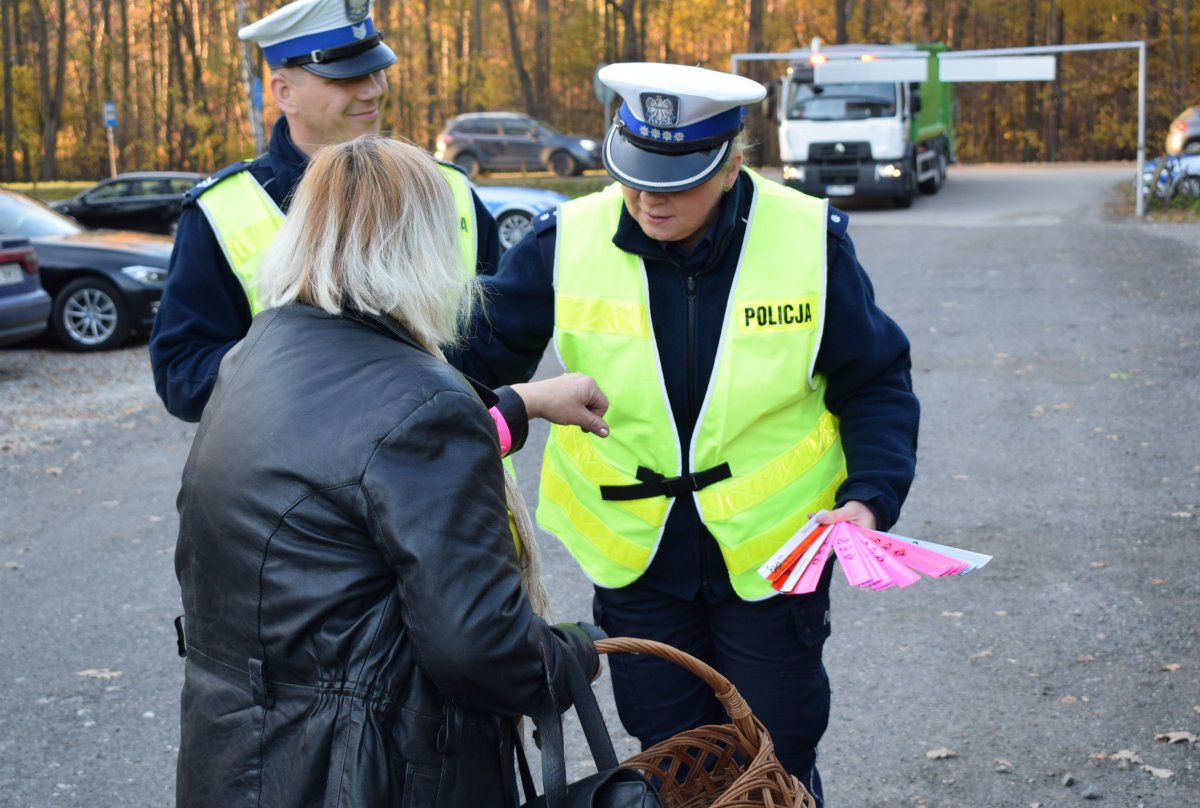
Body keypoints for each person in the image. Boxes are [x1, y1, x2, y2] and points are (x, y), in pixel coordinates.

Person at [446, 62, 920, 806]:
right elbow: (461, 370)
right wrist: (518, 401)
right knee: (672, 768)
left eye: (675, 183)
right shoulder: (563, 241)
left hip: (773, 558)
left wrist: (868, 500)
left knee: (775, 760)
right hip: (637, 564)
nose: (646, 199)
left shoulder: (807, 241)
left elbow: (876, 381)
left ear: (731, 164)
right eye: (634, 176)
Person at [173, 135, 610, 807]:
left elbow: (352, 459)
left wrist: (519, 405)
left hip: (244, 758)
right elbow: (483, 649)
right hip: (367, 771)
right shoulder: (422, 402)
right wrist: (572, 654)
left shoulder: (256, 356)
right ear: (426, 247)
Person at [149, 0, 501, 423]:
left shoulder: (448, 188)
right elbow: (182, 374)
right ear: (284, 92)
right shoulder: (221, 211)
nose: (373, 89)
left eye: (376, 69)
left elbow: (494, 337)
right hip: (305, 482)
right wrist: (317, 368)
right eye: (346, 77)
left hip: (453, 470)